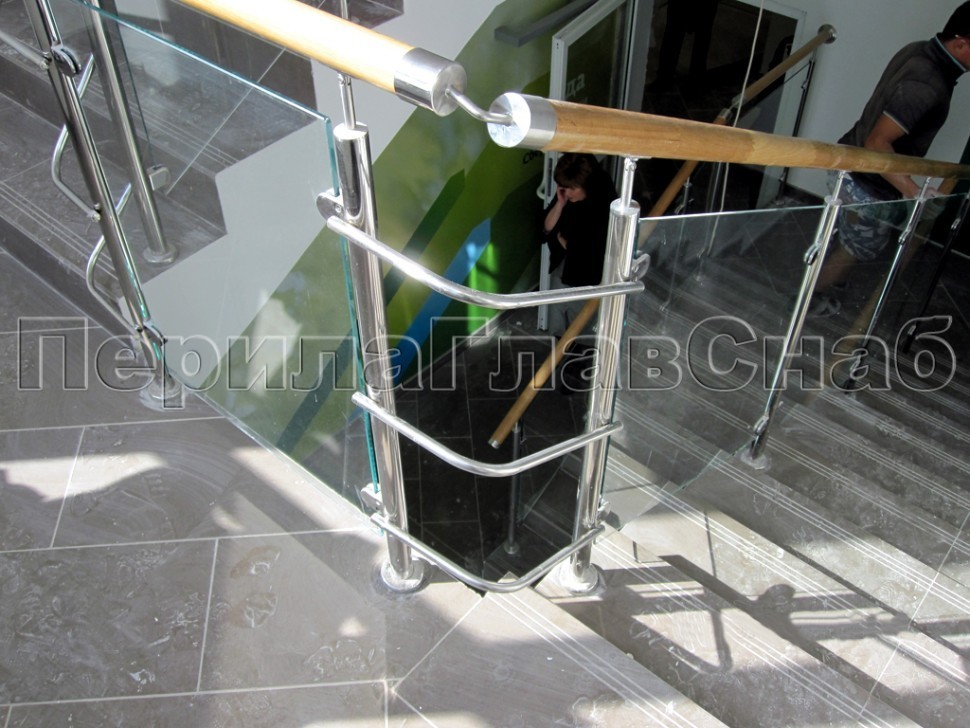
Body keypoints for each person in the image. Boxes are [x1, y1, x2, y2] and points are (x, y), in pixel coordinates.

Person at [810, 2, 970, 317]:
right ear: (962, 43)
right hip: (866, 185)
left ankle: (824, 275)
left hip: (849, 162)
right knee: (857, 248)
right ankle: (812, 297)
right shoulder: (927, 83)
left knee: (845, 233)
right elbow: (878, 142)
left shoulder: (920, 49)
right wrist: (915, 192)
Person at [541, 153, 617, 335]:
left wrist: (567, 244)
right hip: (563, 268)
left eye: (572, 189)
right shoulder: (566, 194)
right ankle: (558, 348)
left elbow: (597, 248)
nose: (567, 193)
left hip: (588, 277)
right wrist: (559, 205)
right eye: (564, 188)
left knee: (582, 327)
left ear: (586, 185)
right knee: (557, 322)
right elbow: (546, 229)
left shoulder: (603, 203)